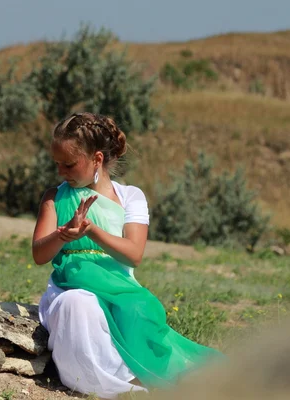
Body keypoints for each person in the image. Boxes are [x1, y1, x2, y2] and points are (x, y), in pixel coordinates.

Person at [32, 112, 222, 399]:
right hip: (70, 288)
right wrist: (62, 235)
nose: (61, 172)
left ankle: (140, 377)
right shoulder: (53, 197)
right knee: (77, 305)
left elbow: (134, 254)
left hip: (122, 291)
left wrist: (91, 230)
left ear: (96, 159)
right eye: (57, 164)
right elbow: (38, 254)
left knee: (137, 311)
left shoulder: (130, 197)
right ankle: (107, 383)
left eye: (69, 164)